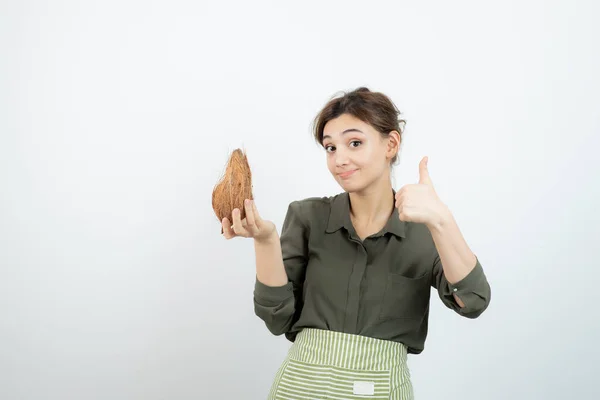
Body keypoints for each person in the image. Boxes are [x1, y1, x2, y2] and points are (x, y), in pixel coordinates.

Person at [221, 87, 491, 399]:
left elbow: (472, 301)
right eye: (330, 148)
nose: (339, 159)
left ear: (391, 144)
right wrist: (265, 240)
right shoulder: (307, 216)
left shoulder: (425, 228)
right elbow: (277, 318)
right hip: (299, 388)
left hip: (380, 389)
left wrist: (441, 220)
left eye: (354, 143)